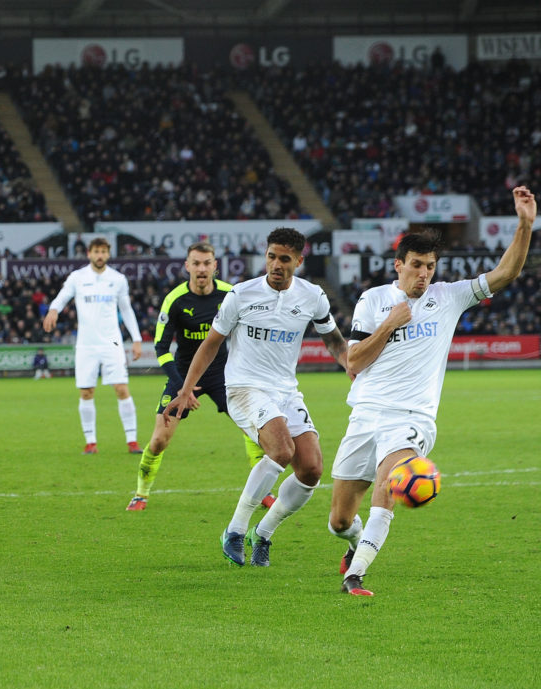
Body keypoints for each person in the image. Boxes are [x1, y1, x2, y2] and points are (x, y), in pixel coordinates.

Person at [330, 186, 536, 597]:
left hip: (411, 418)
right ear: (399, 265)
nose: (425, 273)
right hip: (365, 414)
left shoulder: (449, 297)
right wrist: (389, 325)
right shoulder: (373, 301)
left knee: (389, 486)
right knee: (338, 520)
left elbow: (507, 273)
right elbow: (353, 363)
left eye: (431, 266)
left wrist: (525, 224)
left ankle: (356, 577)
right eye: (417, 265)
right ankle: (355, 546)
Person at [163, 228, 349, 567]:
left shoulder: (313, 296)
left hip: (285, 391)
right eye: (271, 257)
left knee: (311, 469)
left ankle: (262, 533)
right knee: (281, 449)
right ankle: (234, 530)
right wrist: (186, 388)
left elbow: (335, 341)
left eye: (284, 259)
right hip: (244, 388)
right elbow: (211, 344)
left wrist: (351, 366)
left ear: (299, 261)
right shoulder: (241, 294)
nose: (276, 265)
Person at [126, 242, 272, 511]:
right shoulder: (175, 300)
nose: (202, 268)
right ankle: (141, 494)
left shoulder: (232, 295)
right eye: (196, 263)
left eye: (207, 263)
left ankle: (263, 492)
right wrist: (184, 388)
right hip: (182, 376)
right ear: (187, 266)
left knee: (255, 432)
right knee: (159, 441)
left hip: (223, 375)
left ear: (215, 265)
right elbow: (160, 348)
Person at [43, 236, 143, 455]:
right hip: (86, 345)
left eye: (103, 251)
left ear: (108, 254)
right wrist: (53, 310)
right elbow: (63, 296)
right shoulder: (77, 277)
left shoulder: (117, 279)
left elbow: (126, 310)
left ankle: (132, 441)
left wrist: (136, 339)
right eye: (96, 251)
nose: (100, 255)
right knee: (86, 392)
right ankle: (91, 442)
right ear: (89, 253)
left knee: (121, 389)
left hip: (111, 343)